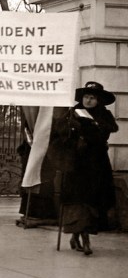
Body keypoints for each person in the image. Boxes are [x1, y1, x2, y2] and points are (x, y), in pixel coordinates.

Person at [50, 81, 118, 256]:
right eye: (86, 97)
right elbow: (60, 133)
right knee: (78, 200)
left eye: (93, 98)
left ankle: (78, 237)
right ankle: (83, 239)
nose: (88, 100)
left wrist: (93, 126)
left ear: (98, 100)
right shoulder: (72, 113)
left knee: (93, 200)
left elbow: (109, 130)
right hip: (77, 164)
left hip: (97, 164)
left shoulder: (104, 115)